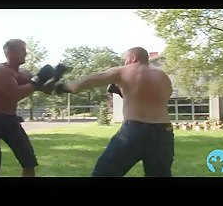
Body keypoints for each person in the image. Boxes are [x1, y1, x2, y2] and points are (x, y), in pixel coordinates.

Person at [55, 47, 174, 177]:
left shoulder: (124, 71)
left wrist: (65, 87)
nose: (124, 63)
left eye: (125, 60)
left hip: (135, 131)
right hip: (164, 132)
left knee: (103, 174)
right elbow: (162, 97)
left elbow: (88, 80)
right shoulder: (163, 76)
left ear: (133, 58)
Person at [0, 39, 59, 177]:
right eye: (22, 49)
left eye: (25, 49)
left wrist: (55, 77)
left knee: (29, 161)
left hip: (11, 121)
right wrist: (39, 80)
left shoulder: (24, 73)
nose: (26, 53)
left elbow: (46, 89)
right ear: (9, 52)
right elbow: (15, 94)